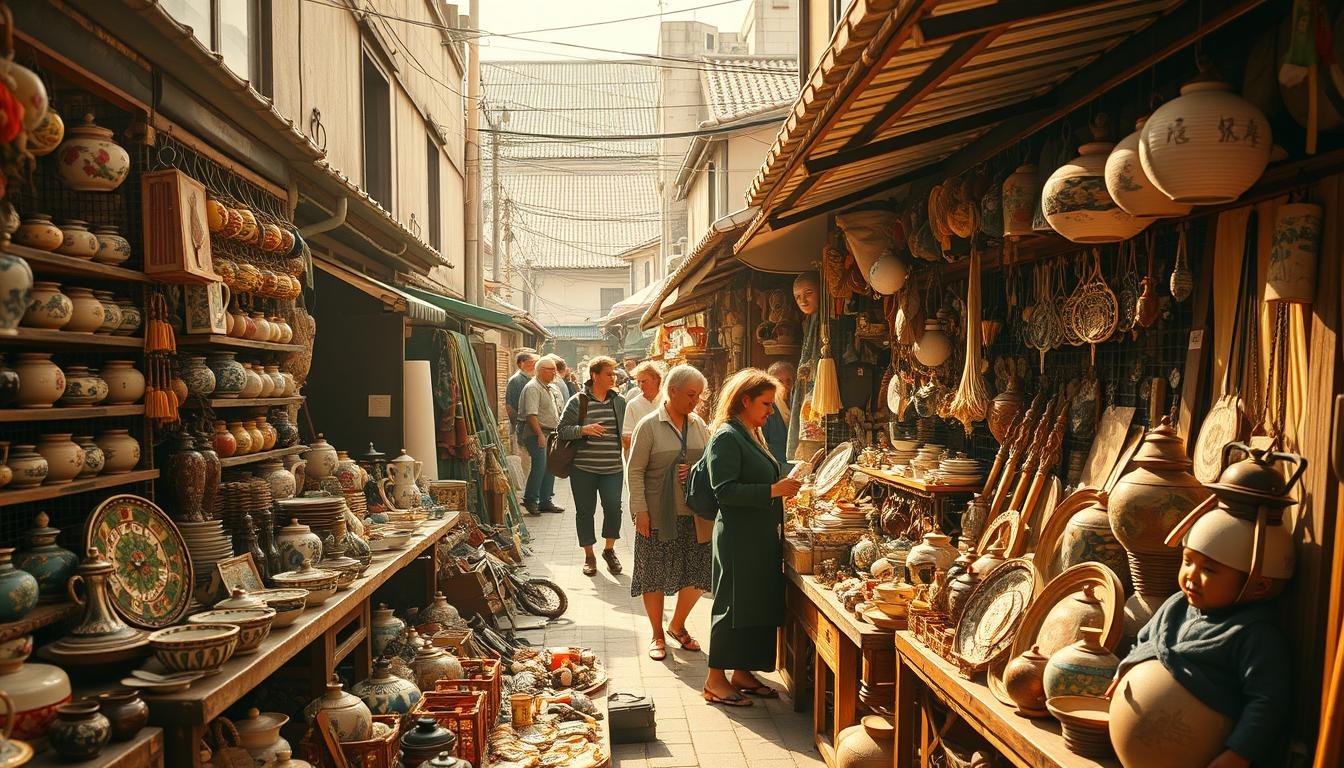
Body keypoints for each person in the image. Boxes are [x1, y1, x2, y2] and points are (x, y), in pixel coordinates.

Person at [1107, 496, 1294, 768]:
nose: (1191, 576)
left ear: (1259, 586)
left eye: (1208, 569)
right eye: (1187, 561)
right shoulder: (1176, 605)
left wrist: (1238, 755)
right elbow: (1144, 640)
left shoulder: (1255, 634)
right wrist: (1126, 668)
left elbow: (1267, 703)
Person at [701, 368, 801, 707]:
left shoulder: (750, 432)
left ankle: (742, 673)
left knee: (753, 604)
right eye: (766, 404)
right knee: (732, 605)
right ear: (745, 401)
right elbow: (724, 491)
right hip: (738, 538)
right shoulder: (727, 436)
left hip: (757, 536)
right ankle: (715, 680)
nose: (771, 411)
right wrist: (773, 490)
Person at [626, 364, 712, 661]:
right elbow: (635, 470)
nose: (695, 401)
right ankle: (657, 634)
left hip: (695, 513)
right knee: (653, 574)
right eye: (690, 394)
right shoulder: (649, 425)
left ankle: (677, 625)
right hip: (656, 514)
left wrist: (697, 469)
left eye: (698, 395)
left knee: (699, 573)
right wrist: (640, 510)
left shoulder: (699, 425)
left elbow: (711, 462)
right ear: (672, 391)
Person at [556, 356, 627, 576]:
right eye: (608, 374)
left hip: (613, 469)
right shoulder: (578, 401)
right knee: (585, 512)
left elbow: (627, 430)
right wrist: (583, 430)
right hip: (583, 469)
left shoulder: (619, 401)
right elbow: (561, 430)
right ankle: (589, 555)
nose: (613, 377)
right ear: (594, 376)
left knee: (613, 508)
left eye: (614, 374)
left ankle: (609, 550)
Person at [519, 354, 566, 516]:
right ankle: (530, 500)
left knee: (550, 466)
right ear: (539, 370)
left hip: (550, 432)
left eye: (554, 370)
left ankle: (545, 500)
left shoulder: (549, 387)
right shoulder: (533, 387)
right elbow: (531, 415)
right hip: (536, 432)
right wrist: (539, 434)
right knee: (539, 465)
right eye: (550, 369)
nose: (554, 373)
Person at [622, 361, 663, 454]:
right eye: (638, 382)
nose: (640, 386)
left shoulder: (667, 401)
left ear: (656, 379)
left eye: (644, 381)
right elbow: (626, 436)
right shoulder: (633, 404)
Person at [506, 350, 537, 470]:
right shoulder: (516, 380)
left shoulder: (531, 379)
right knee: (524, 463)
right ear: (521, 364)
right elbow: (510, 407)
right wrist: (519, 426)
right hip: (522, 428)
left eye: (534, 362)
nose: (533, 365)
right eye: (530, 362)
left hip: (530, 428)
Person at [762, 361, 794, 466]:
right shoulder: (766, 407)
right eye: (779, 381)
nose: (785, 385)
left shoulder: (796, 403)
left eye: (788, 381)